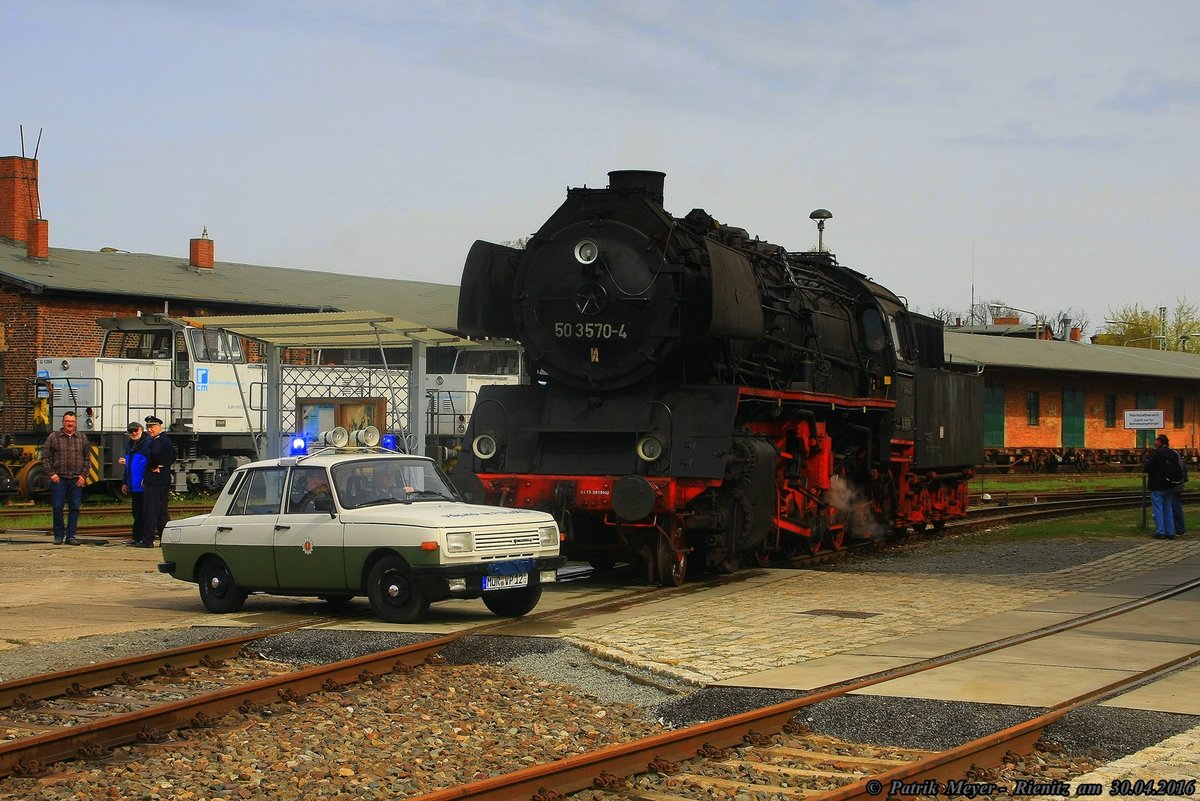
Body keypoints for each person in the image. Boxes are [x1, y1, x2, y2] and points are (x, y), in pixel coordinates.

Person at [42, 411, 92, 545]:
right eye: (67, 421)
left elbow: (88, 459)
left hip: (76, 479)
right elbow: (46, 457)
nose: (70, 423)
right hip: (59, 479)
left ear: (76, 423)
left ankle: (71, 536)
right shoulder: (54, 437)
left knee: (75, 507)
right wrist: (51, 473)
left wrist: (83, 475)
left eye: (72, 421)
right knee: (57, 507)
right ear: (63, 422)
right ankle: (59, 535)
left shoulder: (82, 438)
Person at [140, 415, 176, 548]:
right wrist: (165, 466)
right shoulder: (167, 440)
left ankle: (148, 540)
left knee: (151, 509)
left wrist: (153, 466)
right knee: (162, 510)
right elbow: (174, 455)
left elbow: (154, 454)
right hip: (164, 477)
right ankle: (164, 539)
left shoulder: (157, 442)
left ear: (159, 427)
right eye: (148, 427)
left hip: (154, 480)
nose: (150, 430)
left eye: (152, 427)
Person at [1143, 434, 1182, 539]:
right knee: (1168, 508)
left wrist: (1145, 464)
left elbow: (1147, 468)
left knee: (1158, 509)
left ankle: (1160, 531)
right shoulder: (1172, 453)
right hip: (1170, 485)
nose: (1154, 441)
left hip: (1157, 484)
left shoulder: (1157, 453)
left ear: (1159, 442)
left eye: (1156, 440)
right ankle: (1170, 531)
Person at [119, 422, 150, 546]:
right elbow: (129, 467)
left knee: (146, 512)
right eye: (131, 431)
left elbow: (150, 463)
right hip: (133, 485)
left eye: (136, 430)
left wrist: (146, 478)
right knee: (137, 512)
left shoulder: (147, 444)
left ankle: (146, 537)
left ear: (141, 429)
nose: (134, 433)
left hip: (144, 485)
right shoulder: (129, 445)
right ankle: (137, 537)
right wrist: (125, 482)